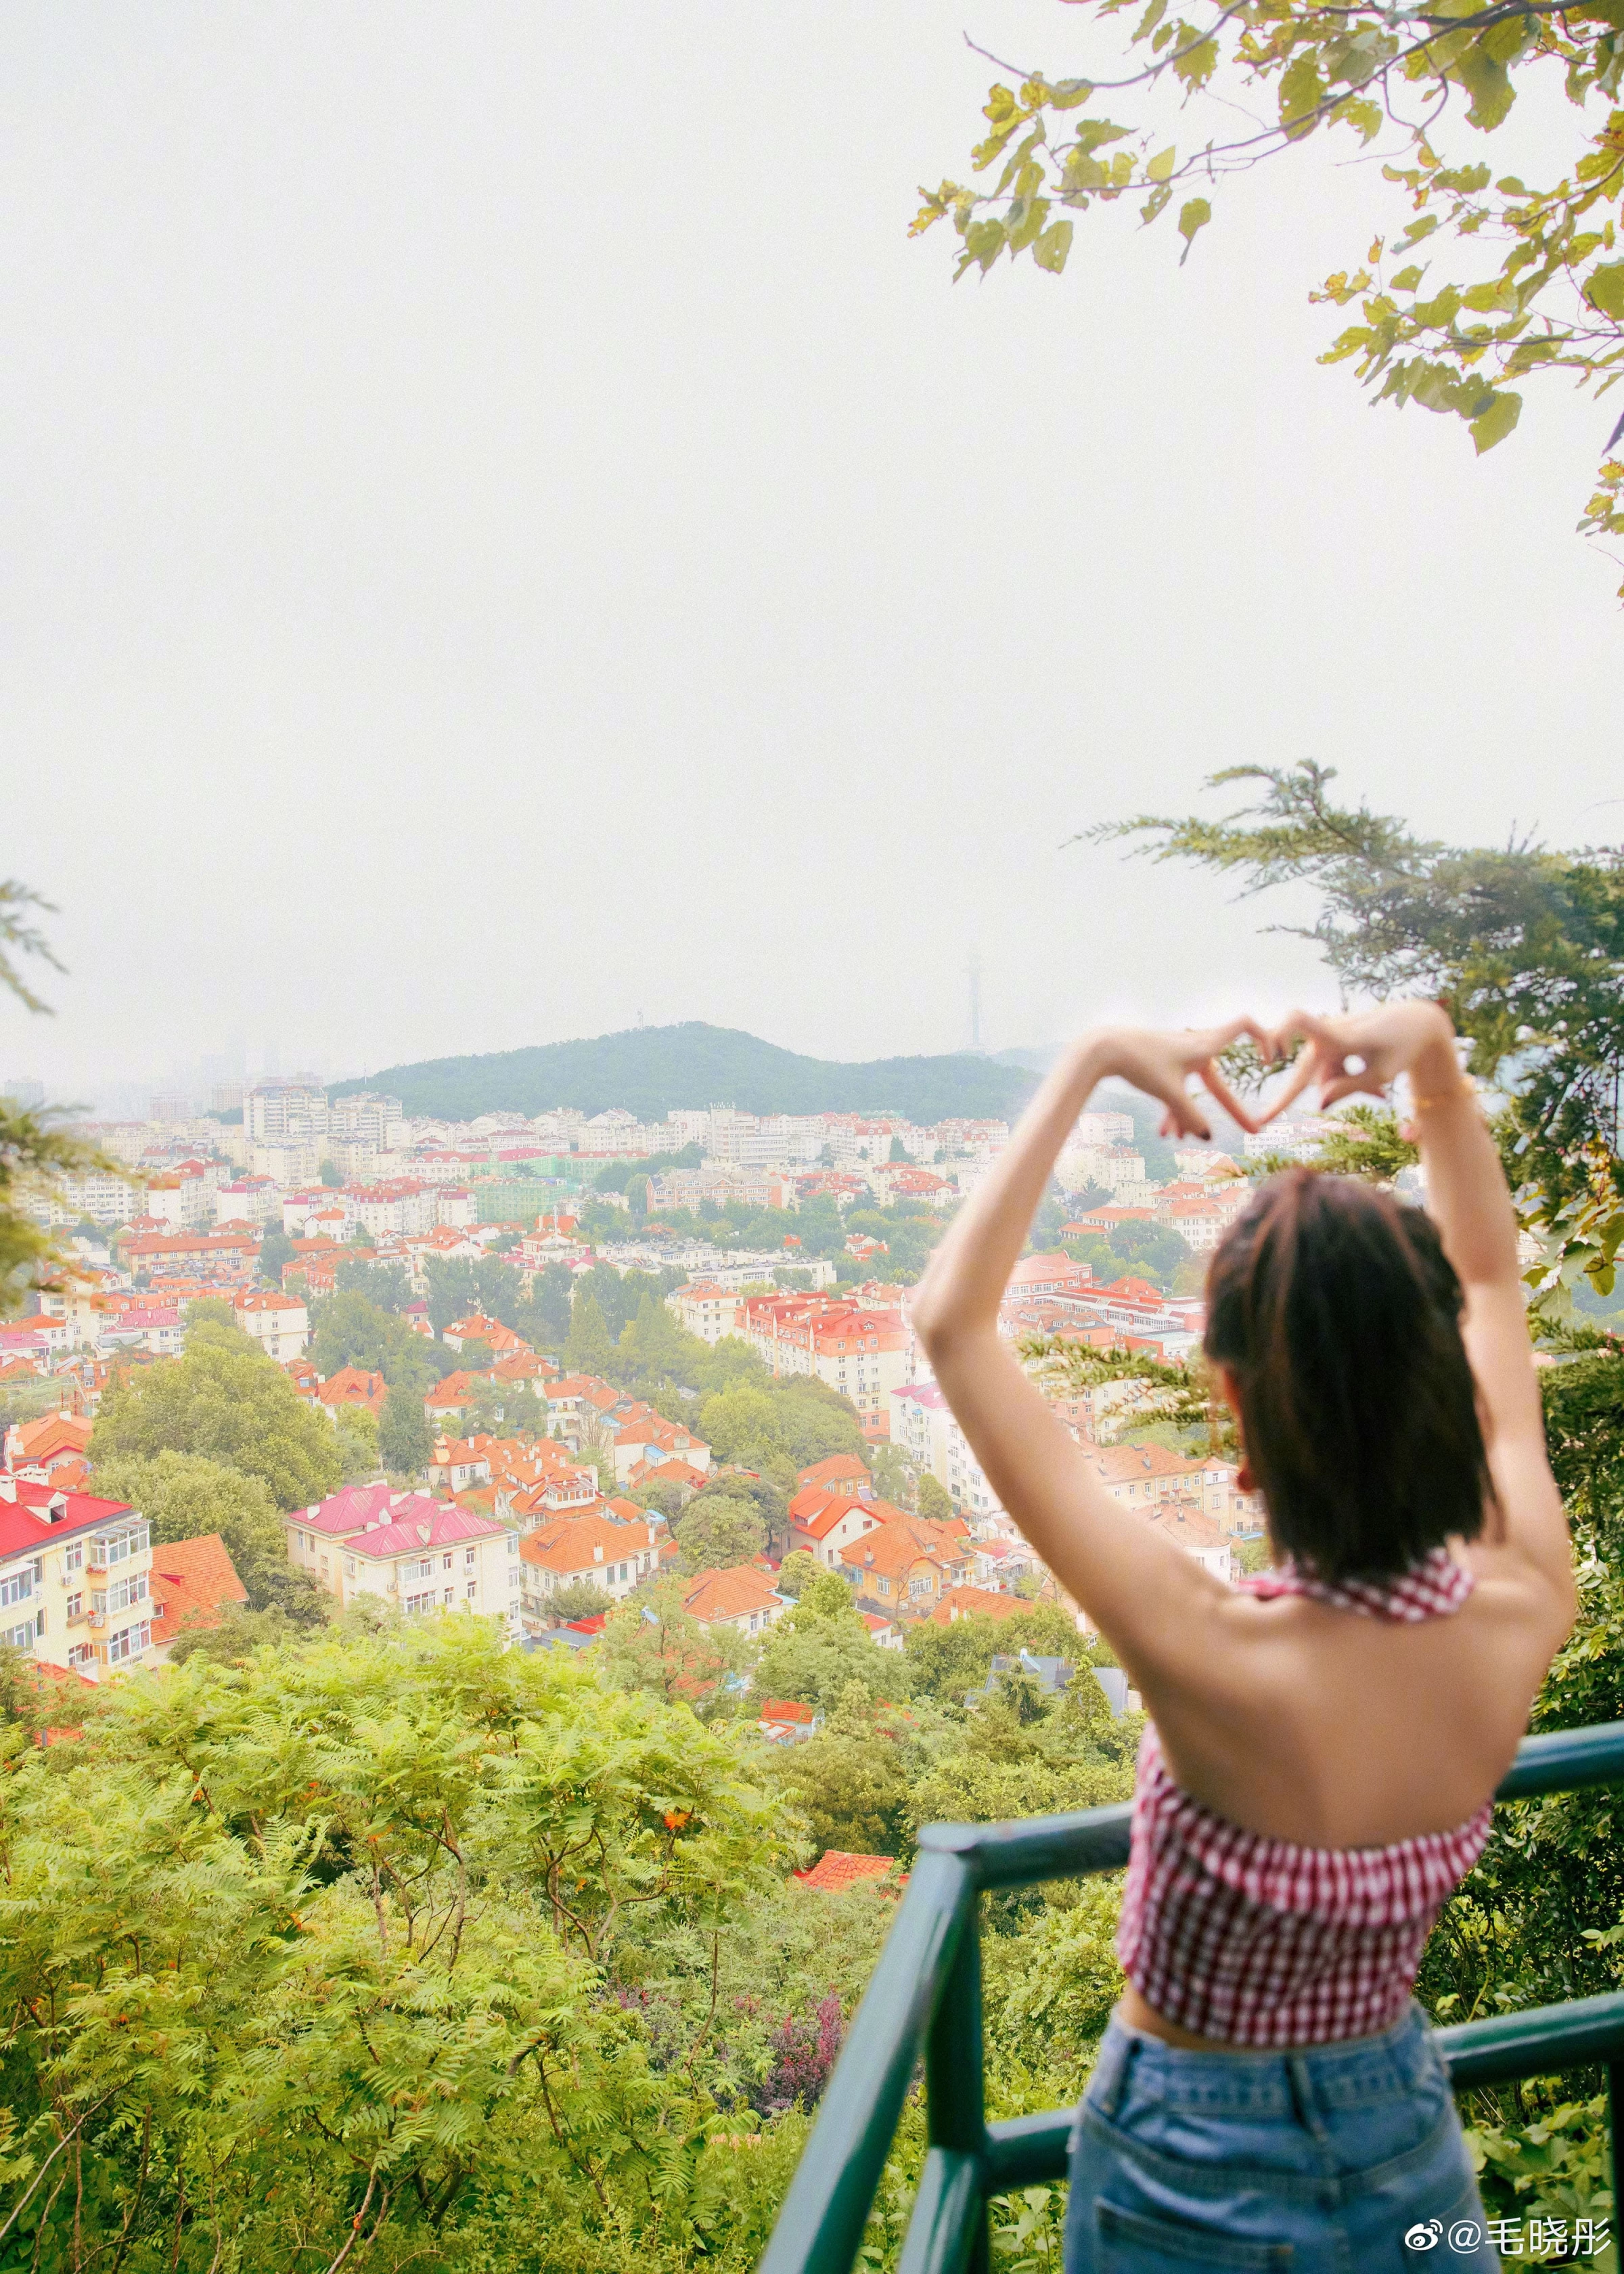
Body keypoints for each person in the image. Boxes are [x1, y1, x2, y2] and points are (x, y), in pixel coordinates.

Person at [910, 1002, 1575, 2273]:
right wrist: (1432, 1059)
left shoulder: (1208, 1649)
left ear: (1230, 1401)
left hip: (1182, 2156)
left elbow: (953, 1326)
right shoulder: (1525, 1597)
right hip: (1400, 2127)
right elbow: (1493, 1279)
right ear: (1446, 1379)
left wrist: (1093, 1058)